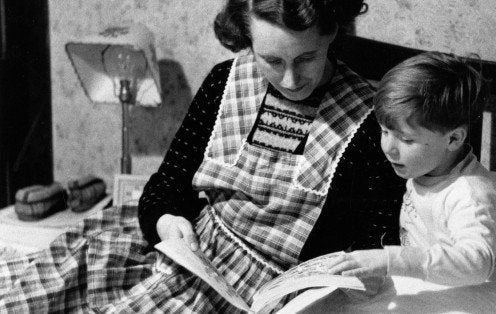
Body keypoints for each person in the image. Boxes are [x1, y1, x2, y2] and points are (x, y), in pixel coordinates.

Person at [0, 0, 404, 312]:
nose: (290, 79)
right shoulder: (224, 81)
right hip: (190, 247)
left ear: (331, 33)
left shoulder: (370, 120)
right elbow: (167, 184)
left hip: (266, 291)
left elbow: (370, 245)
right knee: (47, 283)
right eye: (272, 61)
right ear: (248, 37)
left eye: (306, 58)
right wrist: (167, 221)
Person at [328, 52, 496, 287]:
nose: (389, 148)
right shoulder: (424, 169)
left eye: (406, 140)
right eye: (385, 132)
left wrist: (389, 260)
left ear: (453, 139)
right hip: (434, 289)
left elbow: (477, 265)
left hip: (486, 294)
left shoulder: (470, 194)